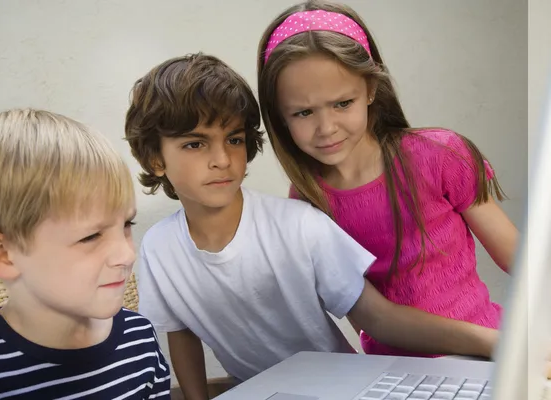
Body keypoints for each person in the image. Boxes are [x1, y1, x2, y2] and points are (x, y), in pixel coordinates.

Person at [125, 53, 498, 399]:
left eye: (234, 139)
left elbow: (377, 318)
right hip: (255, 391)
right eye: (195, 144)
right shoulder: (159, 246)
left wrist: (493, 342)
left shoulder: (300, 224)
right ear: (155, 159)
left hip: (343, 388)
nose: (222, 159)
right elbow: (182, 332)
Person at [256, 0, 519, 357]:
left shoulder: (441, 155)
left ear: (371, 88)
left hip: (490, 352)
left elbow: (518, 258)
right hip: (392, 374)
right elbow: (366, 315)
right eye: (303, 112)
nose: (326, 128)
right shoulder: (307, 198)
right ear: (279, 116)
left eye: (342, 103)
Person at [0, 109, 170, 399]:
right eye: (90, 236)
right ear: (2, 254)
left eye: (126, 224)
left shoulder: (139, 337)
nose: (126, 254)